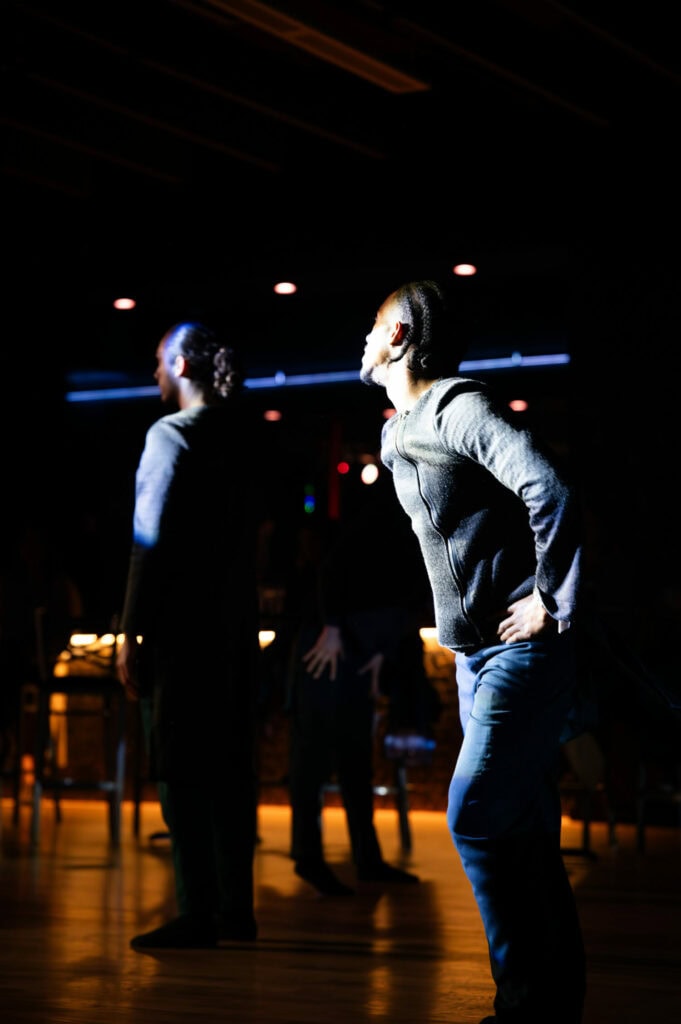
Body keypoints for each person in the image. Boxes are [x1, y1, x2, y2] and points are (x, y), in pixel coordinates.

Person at [359, 280, 585, 1024]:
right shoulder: (398, 432)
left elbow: (549, 488)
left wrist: (549, 598)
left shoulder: (459, 407)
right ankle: (549, 1005)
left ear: (399, 336)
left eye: (373, 326)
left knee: (475, 812)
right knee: (524, 829)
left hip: (518, 652)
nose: (364, 338)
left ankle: (523, 1003)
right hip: (471, 657)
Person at [116, 321, 261, 950]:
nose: (154, 373)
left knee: (178, 768)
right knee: (231, 769)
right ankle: (236, 911)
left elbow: (147, 543)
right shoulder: (243, 435)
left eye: (158, 361)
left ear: (180, 364)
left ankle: (196, 910)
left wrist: (129, 630)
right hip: (235, 628)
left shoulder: (169, 434)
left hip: (179, 631)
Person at [287, 477, 437, 895]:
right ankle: (311, 858)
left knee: (354, 760)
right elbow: (332, 570)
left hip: (357, 650)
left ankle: (365, 860)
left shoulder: (406, 523)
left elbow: (402, 599)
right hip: (332, 648)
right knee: (315, 760)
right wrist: (335, 628)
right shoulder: (385, 519)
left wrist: (381, 650)